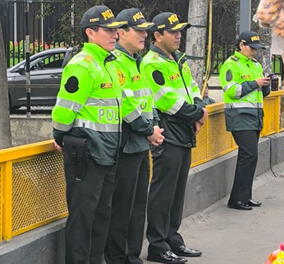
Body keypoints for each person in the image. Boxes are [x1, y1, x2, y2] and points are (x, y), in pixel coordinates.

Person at [51, 5, 126, 264]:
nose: (115, 35)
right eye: (108, 30)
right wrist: (59, 136)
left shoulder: (108, 64)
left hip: (106, 152)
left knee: (102, 214)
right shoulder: (82, 65)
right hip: (86, 152)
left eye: (115, 30)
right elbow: (64, 110)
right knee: (83, 217)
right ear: (90, 33)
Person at [141, 12, 207, 264]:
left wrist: (198, 109)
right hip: (168, 133)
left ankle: (173, 239)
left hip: (184, 132)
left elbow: (192, 89)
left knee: (177, 191)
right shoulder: (151, 63)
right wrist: (196, 113)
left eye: (180, 31)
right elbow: (167, 101)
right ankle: (157, 245)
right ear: (157, 35)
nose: (179, 35)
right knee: (163, 192)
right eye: (173, 32)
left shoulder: (178, 60)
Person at [104, 8, 164, 264]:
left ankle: (132, 255)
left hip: (141, 144)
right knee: (122, 208)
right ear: (120, 32)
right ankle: (118, 258)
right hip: (127, 145)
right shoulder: (116, 62)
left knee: (138, 206)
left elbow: (147, 102)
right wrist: (149, 130)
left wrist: (154, 127)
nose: (144, 35)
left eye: (145, 30)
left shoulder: (136, 61)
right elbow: (126, 106)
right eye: (139, 30)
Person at [219, 31, 270, 211]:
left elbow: (261, 93)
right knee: (248, 155)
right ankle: (237, 199)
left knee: (250, 157)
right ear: (241, 45)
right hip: (239, 116)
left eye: (257, 49)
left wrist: (266, 85)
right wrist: (255, 83)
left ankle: (245, 197)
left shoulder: (255, 65)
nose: (255, 52)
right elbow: (232, 90)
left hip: (255, 116)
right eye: (252, 48)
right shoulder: (231, 65)